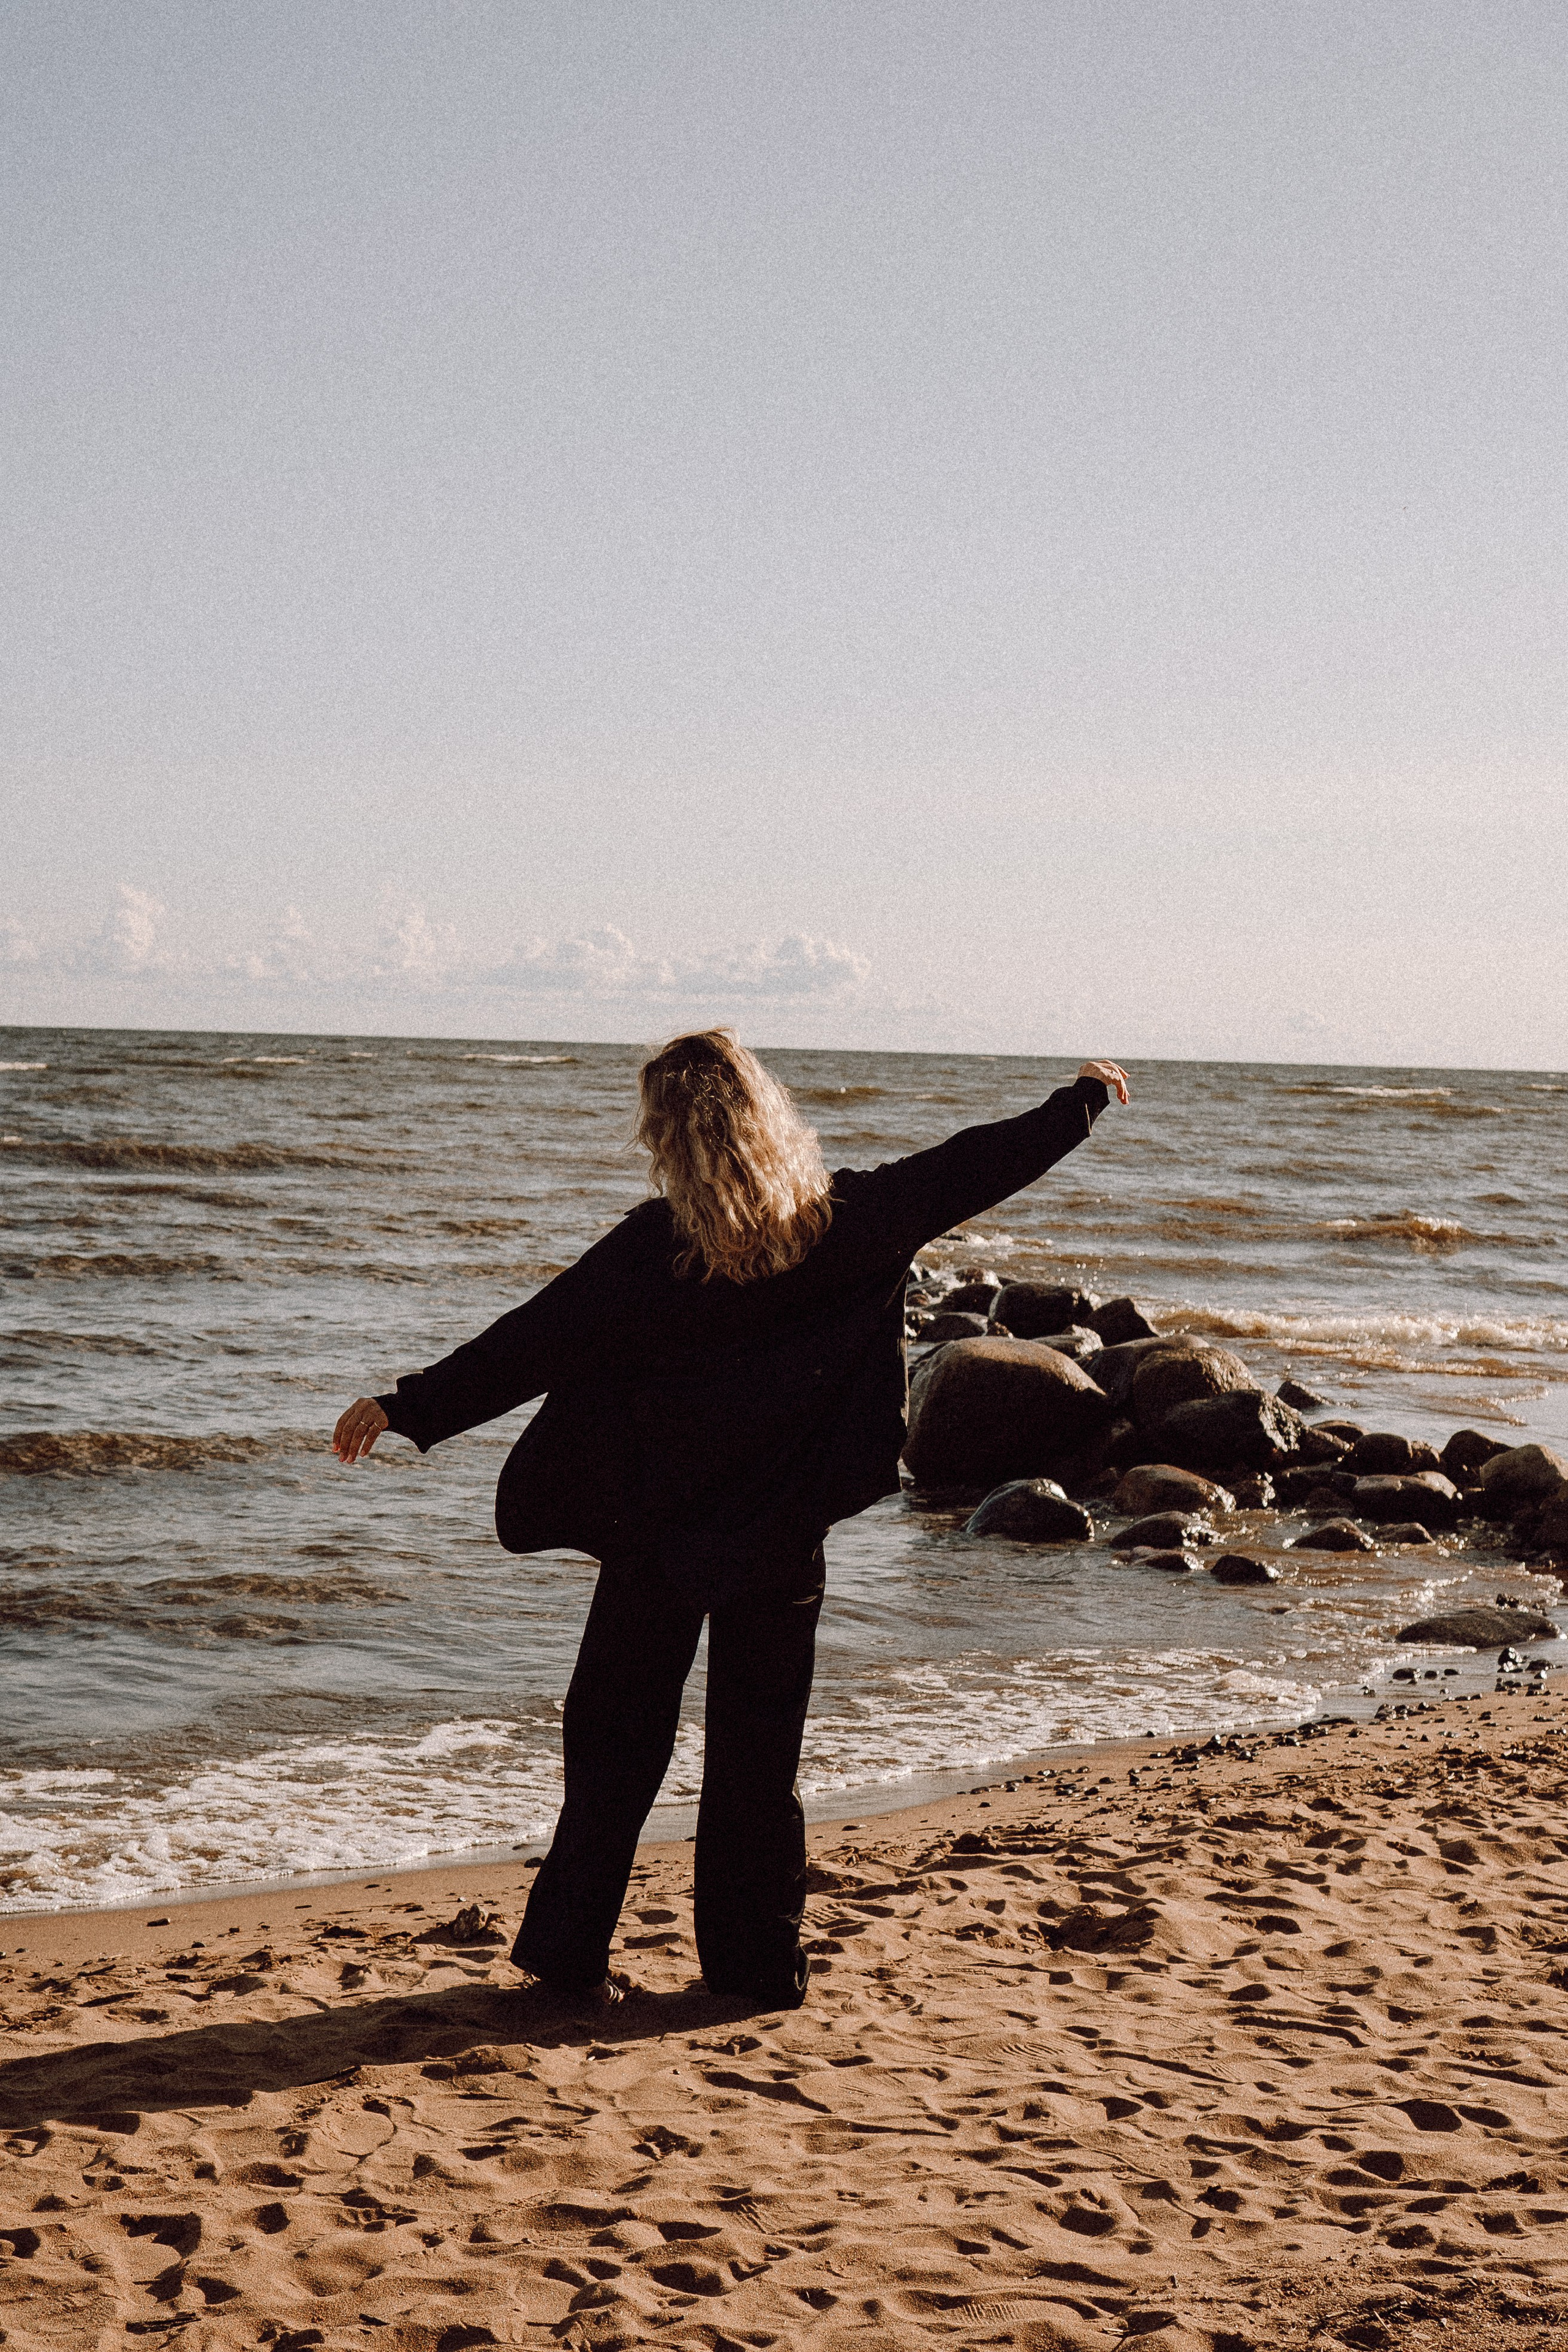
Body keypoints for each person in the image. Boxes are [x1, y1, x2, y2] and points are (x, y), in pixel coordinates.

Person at [333, 1032, 1128, 2009]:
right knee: (757, 1760)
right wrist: (1077, 1103)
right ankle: (753, 1970)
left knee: (614, 1749)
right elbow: (972, 1166)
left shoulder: (647, 1253)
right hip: (777, 1539)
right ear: (766, 1119)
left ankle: (568, 1959)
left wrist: (410, 1407)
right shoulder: (847, 1223)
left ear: (669, 1136)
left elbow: (531, 1342)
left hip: (655, 1542)